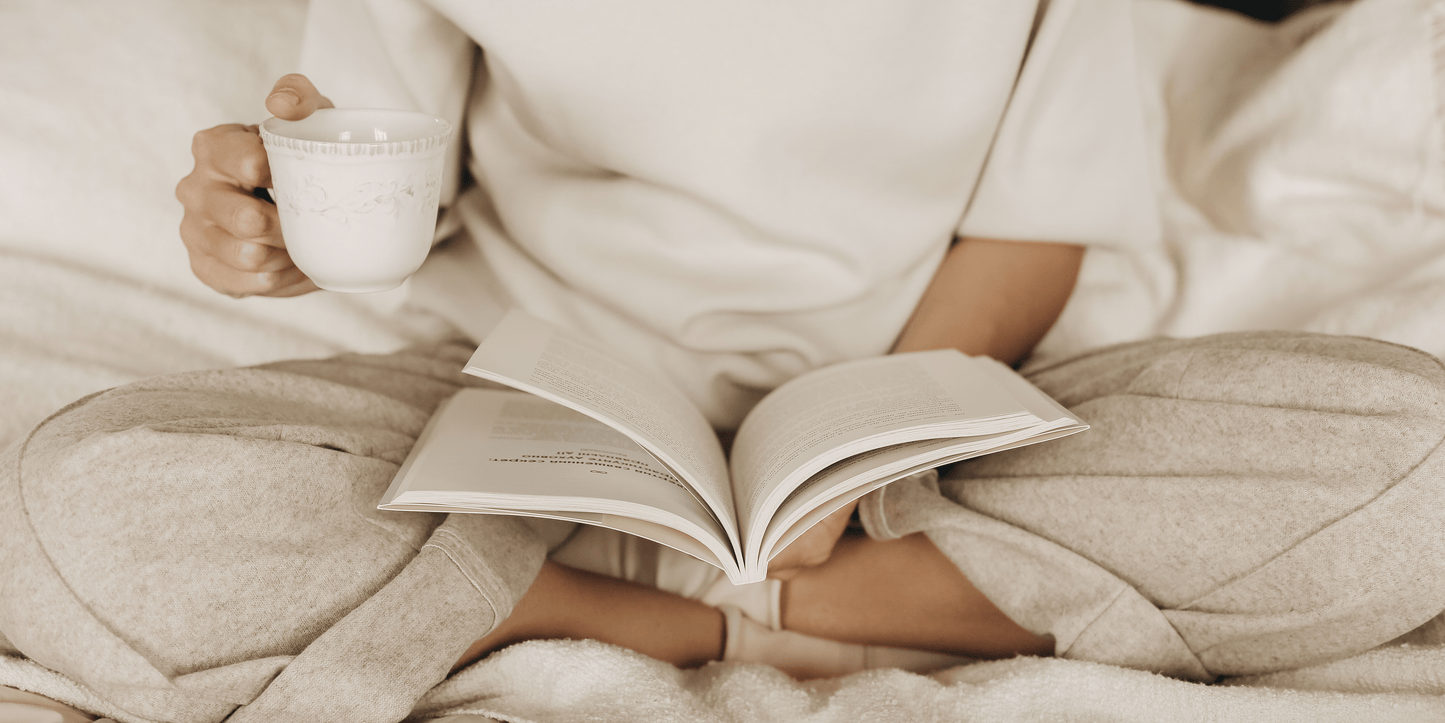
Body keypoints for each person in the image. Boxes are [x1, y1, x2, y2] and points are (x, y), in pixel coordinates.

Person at [4, 1, 1445, 721]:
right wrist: (265, 224)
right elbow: (371, 176)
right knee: (73, 500)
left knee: (1419, 460)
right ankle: (707, 620)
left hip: (927, 413)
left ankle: (845, 589)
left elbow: (1037, 225)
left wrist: (875, 432)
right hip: (530, 395)